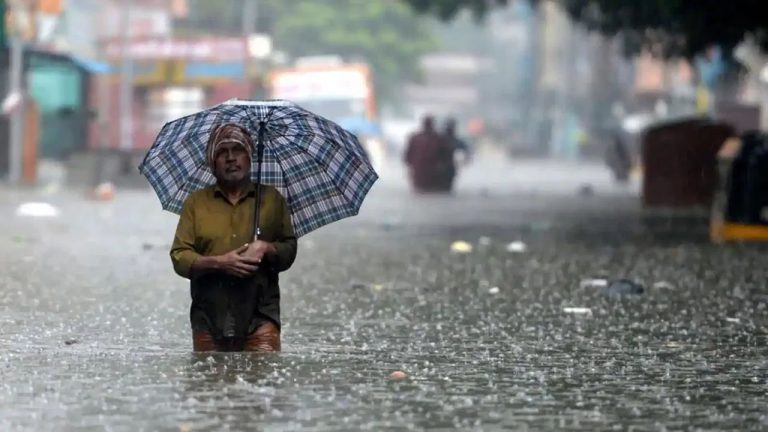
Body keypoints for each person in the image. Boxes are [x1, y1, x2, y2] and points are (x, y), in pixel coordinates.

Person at [170, 124, 297, 352]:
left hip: (260, 315)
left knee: (264, 372)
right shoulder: (196, 203)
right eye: (222, 152)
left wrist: (266, 247)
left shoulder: (271, 200)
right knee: (208, 374)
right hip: (209, 317)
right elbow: (179, 256)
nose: (231, 158)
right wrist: (219, 263)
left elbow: (289, 250)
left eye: (238, 150)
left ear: (249, 157)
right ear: (212, 162)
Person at [404, 115, 448, 193]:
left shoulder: (438, 138)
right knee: (420, 189)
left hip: (432, 170)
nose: (428, 126)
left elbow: (444, 154)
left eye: (429, 123)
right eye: (427, 123)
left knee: (429, 189)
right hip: (419, 169)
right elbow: (408, 154)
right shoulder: (416, 138)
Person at [438, 118, 471, 191]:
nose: (449, 130)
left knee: (446, 187)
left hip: (449, 167)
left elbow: (466, 150)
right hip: (440, 167)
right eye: (449, 128)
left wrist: (465, 160)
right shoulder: (439, 140)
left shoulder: (454, 140)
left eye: (451, 128)